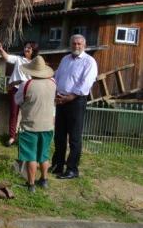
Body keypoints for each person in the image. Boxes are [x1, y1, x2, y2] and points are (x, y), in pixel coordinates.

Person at [51, 34, 98, 179]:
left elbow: (86, 83)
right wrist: (56, 94)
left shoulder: (89, 61)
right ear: (70, 44)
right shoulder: (65, 59)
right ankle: (58, 165)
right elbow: (57, 76)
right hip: (61, 100)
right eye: (74, 43)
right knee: (59, 135)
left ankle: (72, 169)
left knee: (74, 138)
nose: (76, 46)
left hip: (76, 101)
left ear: (84, 45)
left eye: (79, 44)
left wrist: (70, 97)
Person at [15, 56, 56, 193]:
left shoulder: (25, 85)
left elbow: (17, 101)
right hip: (48, 125)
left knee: (30, 155)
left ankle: (31, 184)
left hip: (30, 125)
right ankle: (44, 180)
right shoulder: (53, 83)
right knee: (44, 154)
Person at [0, 41, 38, 146]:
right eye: (26, 47)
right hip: (15, 89)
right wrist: (1, 49)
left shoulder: (35, 62)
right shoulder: (19, 59)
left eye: (29, 48)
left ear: (33, 51)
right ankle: (12, 137)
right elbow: (7, 57)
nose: (26, 49)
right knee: (14, 113)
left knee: (28, 114)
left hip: (28, 90)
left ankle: (25, 136)